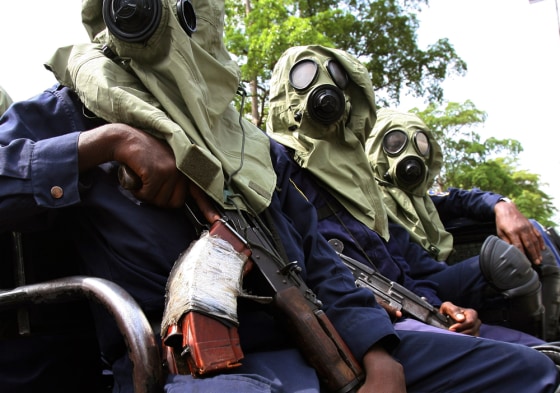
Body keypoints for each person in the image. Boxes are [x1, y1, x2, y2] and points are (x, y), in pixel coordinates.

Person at [0, 2, 558, 392]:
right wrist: (107, 142)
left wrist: (379, 355)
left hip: (322, 338)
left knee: (526, 373)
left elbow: (320, 262)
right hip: (194, 368)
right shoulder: (70, 110)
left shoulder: (253, 147)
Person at [265, 43, 554, 344]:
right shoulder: (277, 168)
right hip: (367, 319)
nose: (326, 89)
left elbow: (398, 266)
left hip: (415, 305)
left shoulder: (360, 192)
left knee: (542, 353)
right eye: (305, 76)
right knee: (536, 366)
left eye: (336, 76)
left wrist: (434, 304)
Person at [366, 108, 560, 340]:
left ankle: (550, 337)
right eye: (395, 142)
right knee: (506, 260)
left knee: (535, 230)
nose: (410, 153)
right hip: (415, 292)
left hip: (441, 283)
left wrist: (503, 205)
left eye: (420, 144)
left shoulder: (421, 202)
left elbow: (460, 199)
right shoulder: (364, 202)